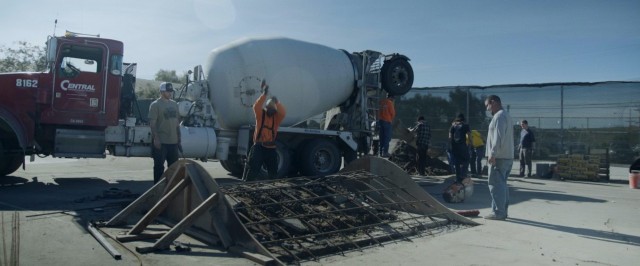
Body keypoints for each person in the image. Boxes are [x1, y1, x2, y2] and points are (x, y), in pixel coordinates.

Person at [243, 80, 286, 181]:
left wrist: (277, 102)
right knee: (254, 169)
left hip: (270, 148)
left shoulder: (276, 119)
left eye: (273, 110)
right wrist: (264, 94)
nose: (271, 111)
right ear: (266, 108)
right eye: (269, 109)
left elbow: (283, 113)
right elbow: (256, 106)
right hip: (258, 147)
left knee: (273, 170)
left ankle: (272, 187)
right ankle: (247, 186)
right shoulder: (260, 115)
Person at [484, 95, 514, 220]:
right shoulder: (505, 115)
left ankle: (498, 212)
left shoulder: (499, 116)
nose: (487, 109)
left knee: (496, 184)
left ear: (493, 102)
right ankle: (501, 210)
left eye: (487, 106)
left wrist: (493, 153)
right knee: (501, 184)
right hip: (506, 156)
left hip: (499, 157)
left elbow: (498, 136)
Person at [148, 82, 181, 184]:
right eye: (168, 91)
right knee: (159, 167)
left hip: (173, 142)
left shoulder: (174, 104)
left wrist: (179, 137)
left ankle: (171, 190)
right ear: (162, 92)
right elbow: (152, 124)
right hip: (161, 142)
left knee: (174, 168)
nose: (170, 93)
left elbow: (177, 122)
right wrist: (156, 138)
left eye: (171, 91)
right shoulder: (155, 105)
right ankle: (157, 190)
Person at [449, 114, 472, 183]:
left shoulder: (452, 126)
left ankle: (458, 178)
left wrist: (451, 146)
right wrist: (471, 143)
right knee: (466, 159)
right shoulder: (465, 125)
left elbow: (450, 137)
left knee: (457, 162)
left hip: (454, 147)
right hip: (463, 147)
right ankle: (463, 175)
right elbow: (469, 135)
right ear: (463, 119)